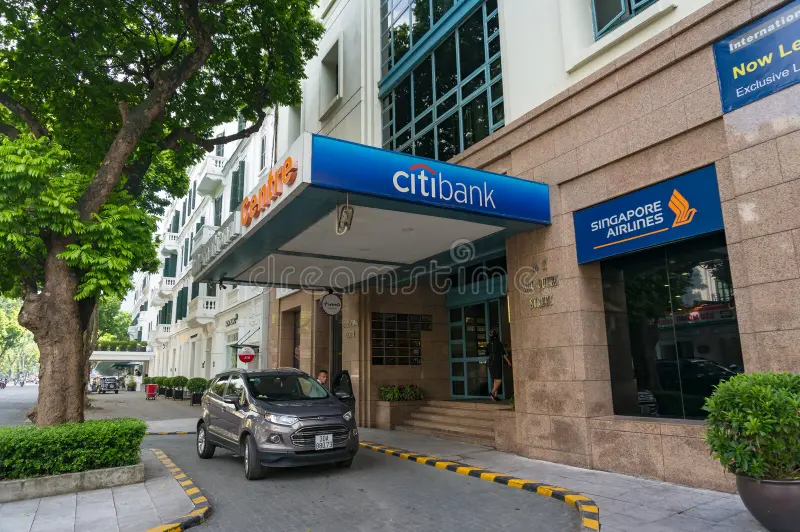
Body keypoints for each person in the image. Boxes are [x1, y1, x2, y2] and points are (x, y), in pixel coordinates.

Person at [487, 329, 511, 401]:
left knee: (495, 380)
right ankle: (492, 393)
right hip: (497, 363)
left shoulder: (488, 344)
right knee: (499, 380)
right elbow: (503, 354)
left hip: (491, 364)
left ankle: (495, 396)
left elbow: (486, 354)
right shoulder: (499, 343)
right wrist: (508, 362)